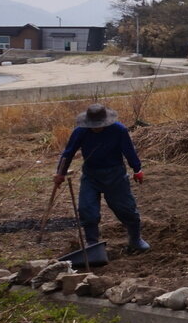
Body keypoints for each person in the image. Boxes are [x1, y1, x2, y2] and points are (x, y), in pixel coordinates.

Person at [54, 103, 149, 253]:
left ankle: (135, 239)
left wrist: (137, 169)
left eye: (99, 125)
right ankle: (92, 244)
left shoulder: (118, 130)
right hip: (91, 176)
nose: (96, 128)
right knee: (87, 209)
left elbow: (129, 151)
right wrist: (61, 173)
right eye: (93, 125)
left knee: (126, 209)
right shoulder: (80, 131)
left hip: (115, 175)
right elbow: (68, 153)